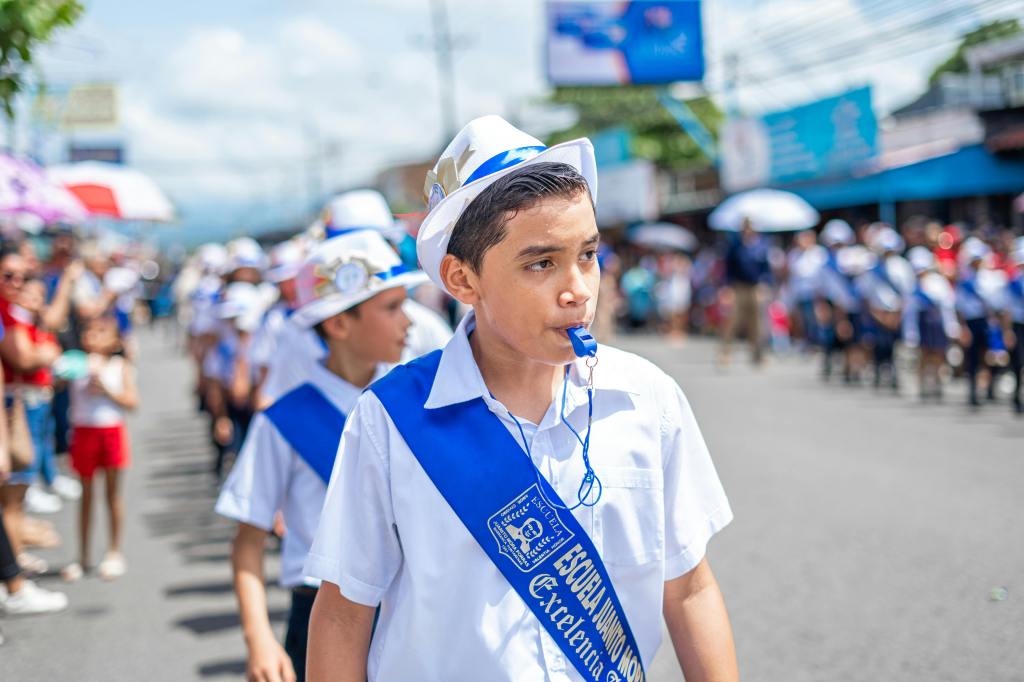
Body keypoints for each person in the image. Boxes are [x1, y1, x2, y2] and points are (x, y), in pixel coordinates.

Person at [305, 116, 737, 681]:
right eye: (541, 264)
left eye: (587, 255)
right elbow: (343, 613)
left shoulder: (646, 399)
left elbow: (688, 588)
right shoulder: (391, 420)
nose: (578, 290)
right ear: (463, 281)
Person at [216, 230, 432, 682]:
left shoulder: (417, 402)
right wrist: (259, 638)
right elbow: (248, 542)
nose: (408, 322)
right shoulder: (283, 420)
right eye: (391, 308)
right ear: (337, 324)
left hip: (411, 607)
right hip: (317, 613)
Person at [61, 314, 138, 581]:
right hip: (83, 431)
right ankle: (83, 556)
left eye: (101, 331)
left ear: (115, 339)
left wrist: (106, 388)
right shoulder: (75, 363)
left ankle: (114, 551)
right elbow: (56, 380)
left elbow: (132, 401)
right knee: (86, 496)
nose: (93, 336)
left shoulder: (120, 366)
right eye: (89, 331)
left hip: (111, 431)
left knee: (113, 494)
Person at [0, 247, 63, 574]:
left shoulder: (13, 312)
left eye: (21, 277)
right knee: (12, 496)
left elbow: (47, 342)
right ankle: (14, 568)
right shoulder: (7, 314)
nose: (16, 283)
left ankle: (15, 559)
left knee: (16, 496)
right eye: (8, 275)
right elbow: (23, 358)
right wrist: (45, 352)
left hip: (19, 403)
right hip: (13, 405)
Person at [902, 247, 959, 401]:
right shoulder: (912, 285)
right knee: (924, 355)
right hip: (922, 324)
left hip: (937, 323)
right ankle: (922, 386)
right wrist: (910, 334)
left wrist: (952, 327)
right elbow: (909, 313)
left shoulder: (939, 282)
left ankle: (938, 384)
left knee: (939, 354)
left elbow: (948, 307)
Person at [719, 218, 770, 366]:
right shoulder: (735, 246)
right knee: (733, 320)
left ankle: (757, 354)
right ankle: (726, 352)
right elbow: (728, 269)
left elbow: (766, 269)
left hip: (755, 287)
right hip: (738, 287)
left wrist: (765, 284)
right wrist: (727, 288)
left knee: (758, 323)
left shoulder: (761, 245)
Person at [999, 245, 1024, 414]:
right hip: (1018, 326)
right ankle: (1016, 396)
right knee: (1018, 363)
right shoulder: (1014, 282)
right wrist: (1007, 331)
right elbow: (1007, 309)